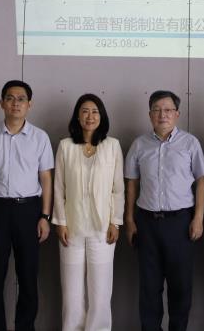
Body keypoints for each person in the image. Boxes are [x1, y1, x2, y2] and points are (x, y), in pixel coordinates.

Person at [0, 80, 53, 331]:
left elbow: (46, 179)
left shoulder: (40, 137)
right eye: (10, 98)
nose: (16, 103)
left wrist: (45, 217)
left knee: (28, 277)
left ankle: (25, 327)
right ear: (1, 103)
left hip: (29, 211)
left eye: (21, 99)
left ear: (29, 104)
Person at [124, 90, 204, 331]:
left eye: (168, 110)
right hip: (147, 223)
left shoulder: (190, 143)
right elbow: (132, 183)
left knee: (180, 286)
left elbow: (202, 180)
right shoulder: (139, 144)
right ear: (150, 114)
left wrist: (198, 218)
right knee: (149, 287)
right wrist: (129, 220)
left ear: (177, 114)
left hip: (180, 223)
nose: (163, 114)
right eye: (157, 110)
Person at [52, 93, 124, 331]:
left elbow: (117, 189)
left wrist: (115, 222)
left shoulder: (112, 146)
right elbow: (58, 187)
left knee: (100, 290)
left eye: (95, 111)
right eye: (85, 111)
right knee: (72, 292)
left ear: (102, 116)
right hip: (71, 228)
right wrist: (60, 222)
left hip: (102, 229)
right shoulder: (65, 146)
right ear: (77, 116)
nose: (90, 116)